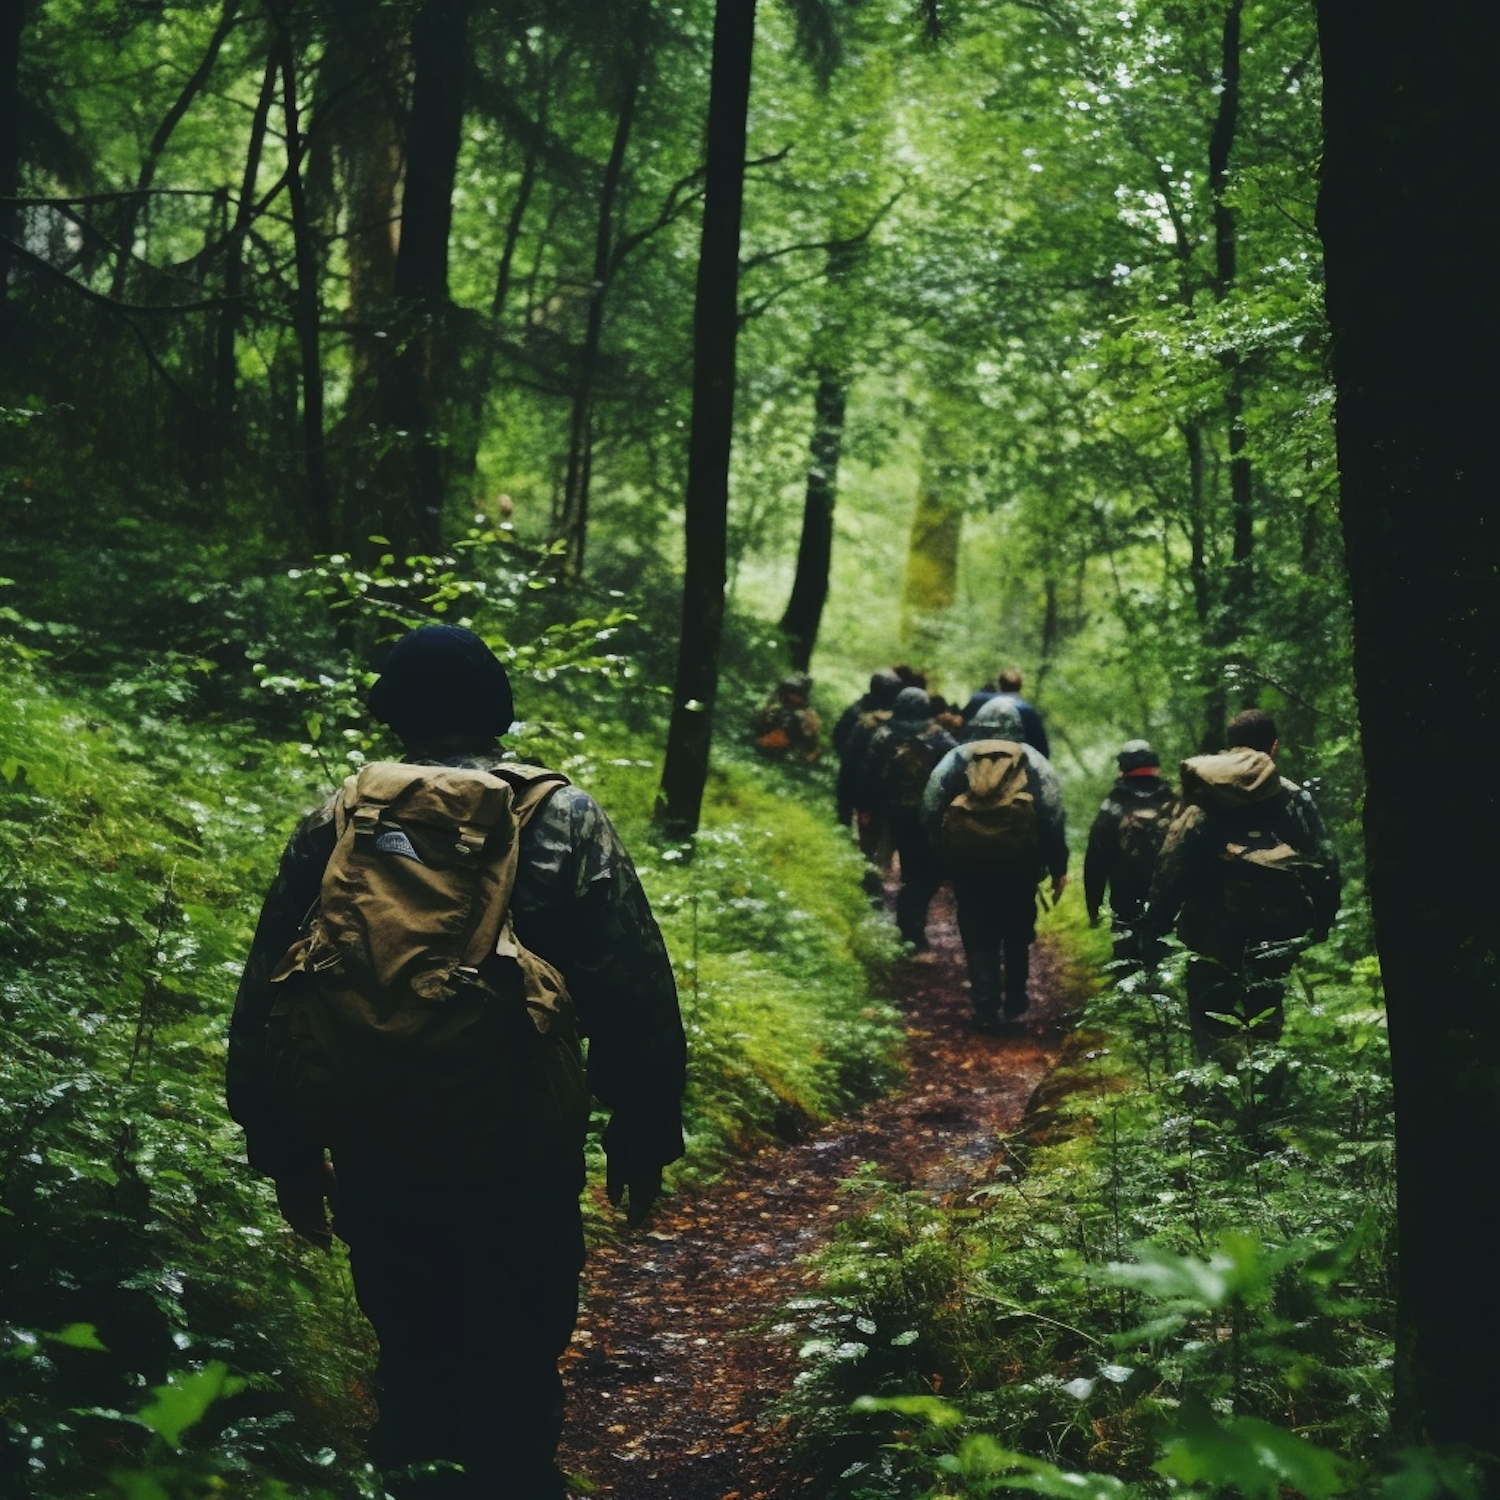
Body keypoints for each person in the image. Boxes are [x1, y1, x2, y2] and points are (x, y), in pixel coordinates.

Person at [227, 624, 687, 1500]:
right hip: (519, 1145)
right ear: (498, 711)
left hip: (375, 1138)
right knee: (515, 1363)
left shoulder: (343, 818)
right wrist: (645, 1122)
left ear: (392, 714)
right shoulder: (561, 819)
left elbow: (271, 985)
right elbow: (629, 977)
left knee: (411, 1357)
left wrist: (278, 1141)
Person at [1139, 709, 1340, 1058]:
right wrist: (1320, 922)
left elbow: (1173, 862)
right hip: (1275, 927)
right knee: (1265, 1011)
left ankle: (1218, 1093)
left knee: (1209, 1014)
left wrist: (1154, 928)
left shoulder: (1201, 799)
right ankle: (1264, 1094)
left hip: (1209, 929)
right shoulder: (1291, 797)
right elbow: (1324, 861)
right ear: (1273, 747)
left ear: (1230, 746)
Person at [925, 696, 1068, 1031]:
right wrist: (1057, 865)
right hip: (1019, 868)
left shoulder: (956, 759)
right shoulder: (1033, 761)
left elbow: (930, 808)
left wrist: (943, 857)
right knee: (1017, 933)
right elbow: (1052, 816)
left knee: (977, 932)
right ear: (1016, 727)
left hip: (969, 868)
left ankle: (985, 1005)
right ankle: (1016, 999)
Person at [854, 687, 956, 951]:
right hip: (927, 815)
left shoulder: (884, 734)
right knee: (924, 873)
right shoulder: (939, 737)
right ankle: (911, 929)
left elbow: (867, 770)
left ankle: (895, 919)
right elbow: (958, 768)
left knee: (898, 867)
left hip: (893, 813)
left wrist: (864, 807)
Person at [1084, 740, 1178, 964]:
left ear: (1123, 767)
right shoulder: (1171, 800)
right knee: (1165, 958)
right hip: (1165, 898)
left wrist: (1093, 906)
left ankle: (1128, 993)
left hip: (1125, 897)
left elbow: (1095, 859)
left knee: (1126, 960)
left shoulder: (1114, 804)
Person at [835, 668, 903, 866]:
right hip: (875, 782)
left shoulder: (856, 711)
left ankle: (851, 860)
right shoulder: (896, 719)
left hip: (852, 773)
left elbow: (839, 739)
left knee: (849, 819)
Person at [960, 667, 1051, 760]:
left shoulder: (977, 700)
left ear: (999, 684)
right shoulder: (1027, 711)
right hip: (1013, 763)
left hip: (975, 758)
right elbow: (1042, 750)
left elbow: (960, 728)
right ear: (1020, 687)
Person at [752, 672, 822, 762]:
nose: (793, 696)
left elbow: (813, 739)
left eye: (797, 694)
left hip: (792, 745)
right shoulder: (777, 706)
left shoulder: (808, 715)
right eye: (791, 692)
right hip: (770, 740)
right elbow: (761, 720)